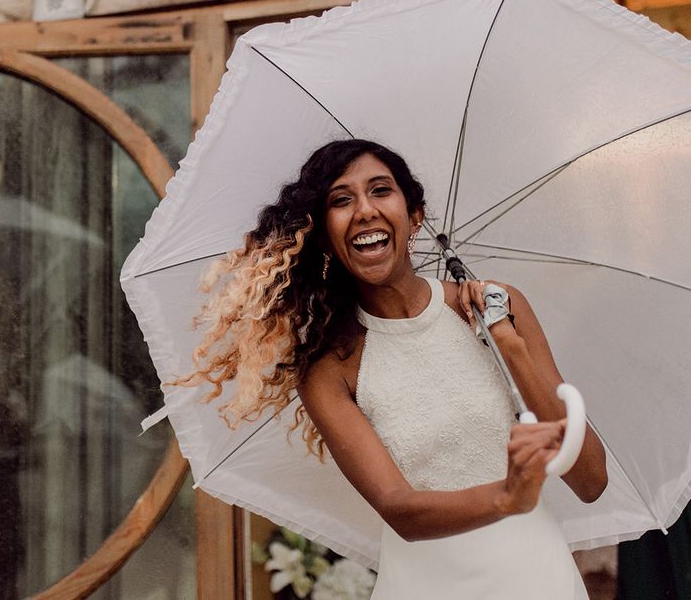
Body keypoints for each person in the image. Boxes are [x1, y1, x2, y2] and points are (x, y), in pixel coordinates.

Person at [182, 139, 608, 598]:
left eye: (381, 191)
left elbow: (590, 479)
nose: (364, 210)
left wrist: (509, 346)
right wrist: (508, 495)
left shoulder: (502, 308)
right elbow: (399, 508)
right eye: (341, 200)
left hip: (537, 578)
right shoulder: (330, 370)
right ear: (325, 235)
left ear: (415, 216)